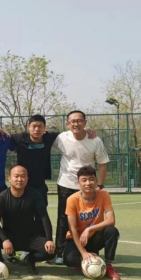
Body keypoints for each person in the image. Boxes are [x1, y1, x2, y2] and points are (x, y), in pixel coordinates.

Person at [53, 111, 110, 265]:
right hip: (66, 184)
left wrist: (100, 185)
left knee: (91, 217)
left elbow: (103, 163)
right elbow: (40, 137)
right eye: (73, 121)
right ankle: (60, 252)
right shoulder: (61, 138)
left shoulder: (95, 140)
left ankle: (92, 246)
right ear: (67, 124)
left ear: (85, 122)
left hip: (88, 186)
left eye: (79, 121)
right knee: (63, 219)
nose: (76, 124)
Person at [0, 165, 56, 275]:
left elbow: (44, 217)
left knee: (51, 252)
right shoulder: (1, 198)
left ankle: (30, 259)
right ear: (9, 178)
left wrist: (49, 239)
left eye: (23, 176)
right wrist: (5, 239)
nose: (20, 179)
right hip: (10, 237)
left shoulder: (35, 195)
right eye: (16, 176)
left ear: (27, 178)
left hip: (31, 237)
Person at [64, 165, 121, 280]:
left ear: (96, 181)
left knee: (111, 231)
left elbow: (111, 220)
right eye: (84, 180)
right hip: (78, 239)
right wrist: (83, 253)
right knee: (70, 260)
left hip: (94, 237)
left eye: (91, 179)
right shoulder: (72, 200)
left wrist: (89, 229)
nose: (88, 183)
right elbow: (72, 228)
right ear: (78, 183)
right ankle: (84, 258)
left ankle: (108, 265)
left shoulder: (104, 195)